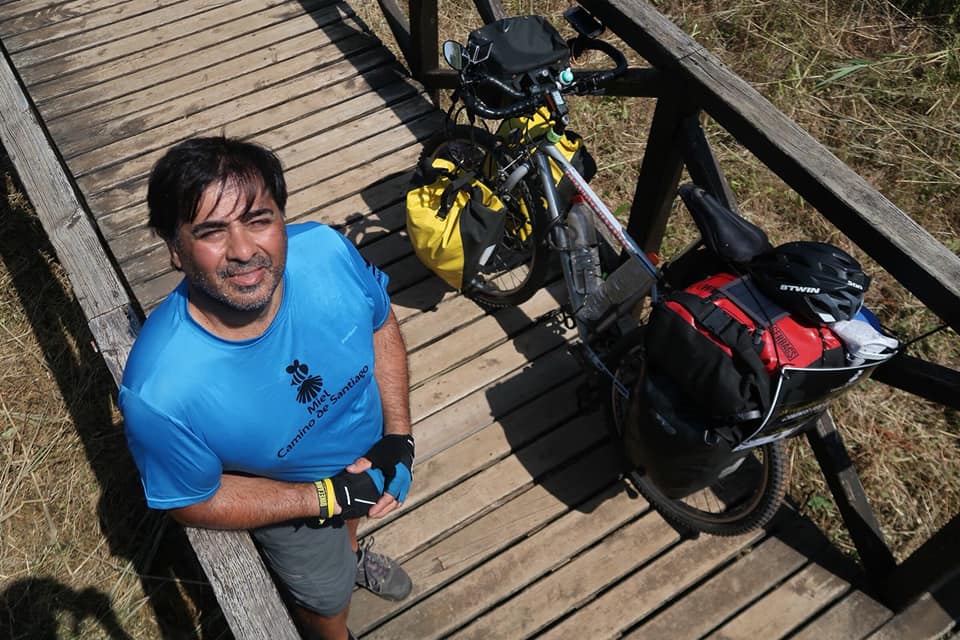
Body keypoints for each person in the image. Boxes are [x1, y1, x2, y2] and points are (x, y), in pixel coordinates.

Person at [119, 136, 414, 640]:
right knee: (324, 598)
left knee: (351, 524)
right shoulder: (160, 391)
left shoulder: (325, 251)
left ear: (281, 218)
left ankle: (351, 552)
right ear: (175, 250)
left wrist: (398, 437)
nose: (244, 251)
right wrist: (322, 497)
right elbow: (189, 500)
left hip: (367, 454)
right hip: (290, 494)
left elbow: (380, 322)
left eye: (259, 220)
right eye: (211, 231)